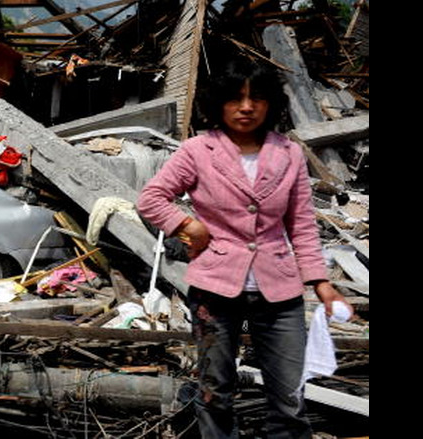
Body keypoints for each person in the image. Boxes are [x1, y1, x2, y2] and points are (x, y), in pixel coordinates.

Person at [136, 58, 351, 438]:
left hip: (280, 291)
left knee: (290, 394)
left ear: (271, 104)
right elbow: (151, 199)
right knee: (215, 392)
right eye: (236, 98)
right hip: (214, 290)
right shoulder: (198, 151)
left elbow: (300, 223)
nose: (247, 107)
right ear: (219, 103)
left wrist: (320, 281)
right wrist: (188, 225)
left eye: (256, 98)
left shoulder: (289, 154)